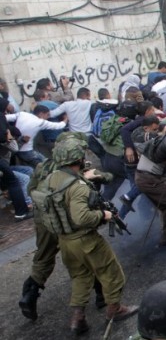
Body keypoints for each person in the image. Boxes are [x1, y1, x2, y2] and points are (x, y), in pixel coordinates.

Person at [49, 137, 137, 334]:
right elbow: (82, 217)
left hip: (65, 240)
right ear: (77, 159)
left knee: (81, 277)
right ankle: (115, 310)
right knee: (111, 272)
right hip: (85, 240)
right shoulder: (77, 187)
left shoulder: (52, 178)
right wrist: (103, 215)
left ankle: (77, 319)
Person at [19, 132, 110, 321]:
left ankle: (30, 294)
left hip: (43, 217)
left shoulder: (43, 166)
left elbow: (31, 190)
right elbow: (101, 182)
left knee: (43, 257)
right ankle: (101, 296)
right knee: (85, 253)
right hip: (68, 218)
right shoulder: (75, 169)